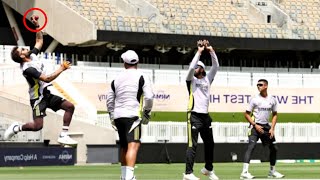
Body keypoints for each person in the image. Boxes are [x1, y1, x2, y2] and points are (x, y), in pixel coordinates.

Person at [4, 15, 77, 146]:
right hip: (38, 99)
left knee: (70, 107)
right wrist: (61, 68)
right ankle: (16, 128)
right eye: (22, 49)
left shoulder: (31, 55)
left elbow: (39, 41)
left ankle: (63, 135)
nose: (26, 48)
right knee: (38, 126)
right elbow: (47, 78)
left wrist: (37, 25)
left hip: (46, 94)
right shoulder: (27, 69)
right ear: (21, 56)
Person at [106, 50, 153, 180]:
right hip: (133, 116)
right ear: (137, 62)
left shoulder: (116, 78)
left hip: (118, 116)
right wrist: (147, 113)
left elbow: (109, 100)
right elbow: (149, 97)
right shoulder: (142, 75)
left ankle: (124, 176)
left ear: (124, 63)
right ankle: (129, 177)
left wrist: (111, 116)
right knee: (133, 144)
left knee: (124, 146)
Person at [183, 40, 219, 180]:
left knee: (210, 143)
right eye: (196, 66)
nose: (196, 68)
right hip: (194, 116)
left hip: (205, 116)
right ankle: (188, 173)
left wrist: (210, 50)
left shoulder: (207, 79)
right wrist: (199, 51)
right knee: (193, 145)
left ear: (203, 69)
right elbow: (191, 68)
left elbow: (216, 66)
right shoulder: (190, 80)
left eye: (199, 67)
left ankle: (208, 169)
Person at [240, 79, 285, 179]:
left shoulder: (272, 99)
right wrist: (255, 125)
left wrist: (272, 128)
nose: (258, 86)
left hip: (266, 127)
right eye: (257, 85)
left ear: (266, 86)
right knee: (251, 147)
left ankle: (272, 171)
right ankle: (244, 172)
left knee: (274, 148)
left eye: (260, 85)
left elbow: (275, 114)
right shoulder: (254, 99)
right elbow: (246, 114)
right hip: (254, 126)